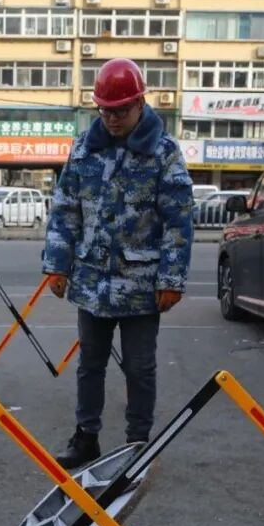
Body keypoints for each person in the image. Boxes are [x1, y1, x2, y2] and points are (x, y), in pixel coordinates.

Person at [42, 58, 194, 469]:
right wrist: (57, 264)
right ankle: (85, 437)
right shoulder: (84, 149)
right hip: (92, 280)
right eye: (105, 110)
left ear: (140, 103)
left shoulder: (163, 153)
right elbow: (66, 211)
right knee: (89, 365)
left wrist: (172, 279)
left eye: (121, 111)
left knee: (140, 368)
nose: (112, 119)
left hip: (141, 285)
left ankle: (137, 444)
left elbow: (178, 220)